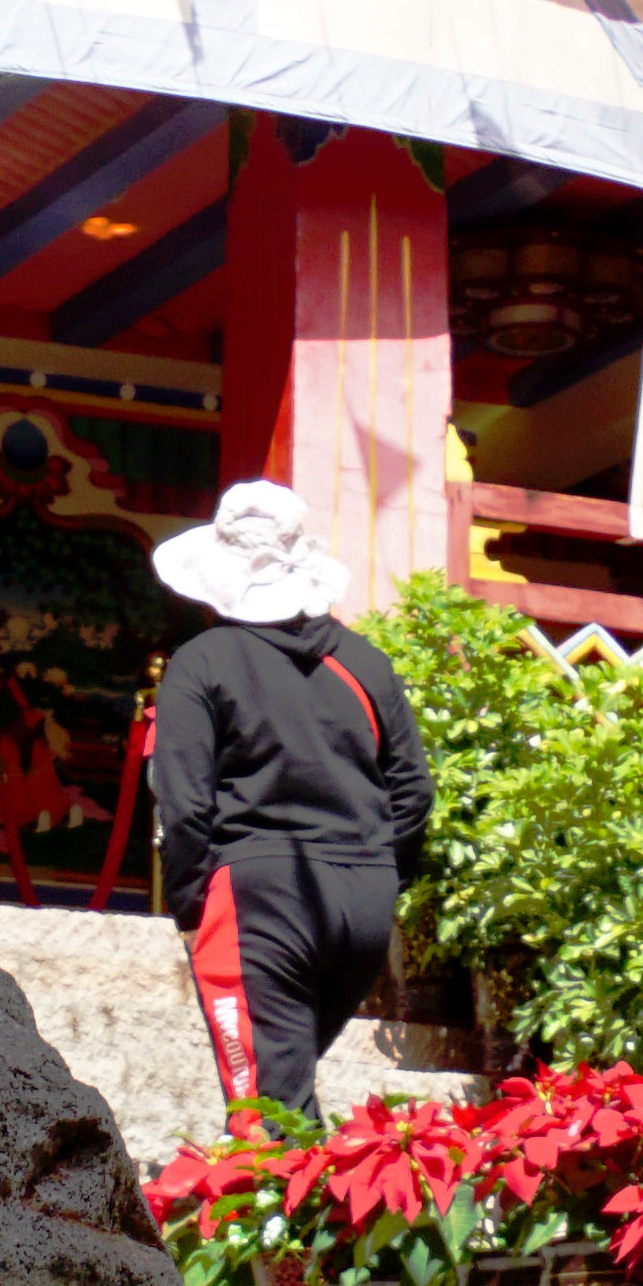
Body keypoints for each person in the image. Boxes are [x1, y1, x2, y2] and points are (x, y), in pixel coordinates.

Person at [145, 477, 435, 1117]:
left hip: (256, 898)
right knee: (287, 1094)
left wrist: (192, 905)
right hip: (362, 907)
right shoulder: (366, 663)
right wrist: (380, 872)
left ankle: (300, 1215)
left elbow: (184, 806)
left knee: (267, 1116)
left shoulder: (201, 662)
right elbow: (413, 792)